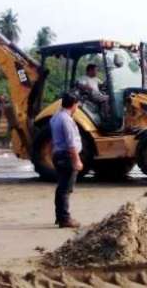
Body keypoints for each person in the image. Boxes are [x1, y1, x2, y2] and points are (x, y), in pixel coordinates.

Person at [50, 93, 83, 228]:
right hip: (66, 156)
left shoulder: (55, 117)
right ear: (74, 104)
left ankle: (60, 216)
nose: (77, 108)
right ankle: (64, 219)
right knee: (66, 189)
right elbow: (71, 143)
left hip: (58, 154)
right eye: (77, 105)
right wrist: (77, 160)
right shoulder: (66, 120)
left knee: (61, 187)